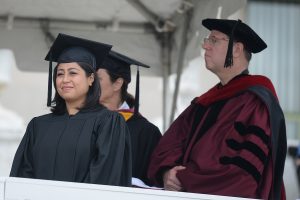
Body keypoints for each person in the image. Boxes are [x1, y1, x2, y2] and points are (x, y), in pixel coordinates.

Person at [148, 18, 287, 200]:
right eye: (207, 40)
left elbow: (242, 174)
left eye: (214, 40)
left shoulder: (255, 101)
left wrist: (183, 178)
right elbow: (169, 144)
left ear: (236, 49)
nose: (206, 46)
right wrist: (167, 172)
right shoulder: (204, 102)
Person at [10, 33, 132, 187]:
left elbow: (104, 179)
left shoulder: (109, 123)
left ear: (91, 79)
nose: (65, 79)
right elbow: (22, 176)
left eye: (73, 73)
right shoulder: (38, 126)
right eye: (60, 74)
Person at [97, 50, 161, 186]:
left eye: (97, 78)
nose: (90, 83)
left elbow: (155, 182)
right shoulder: (81, 122)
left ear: (117, 84)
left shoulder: (146, 132)